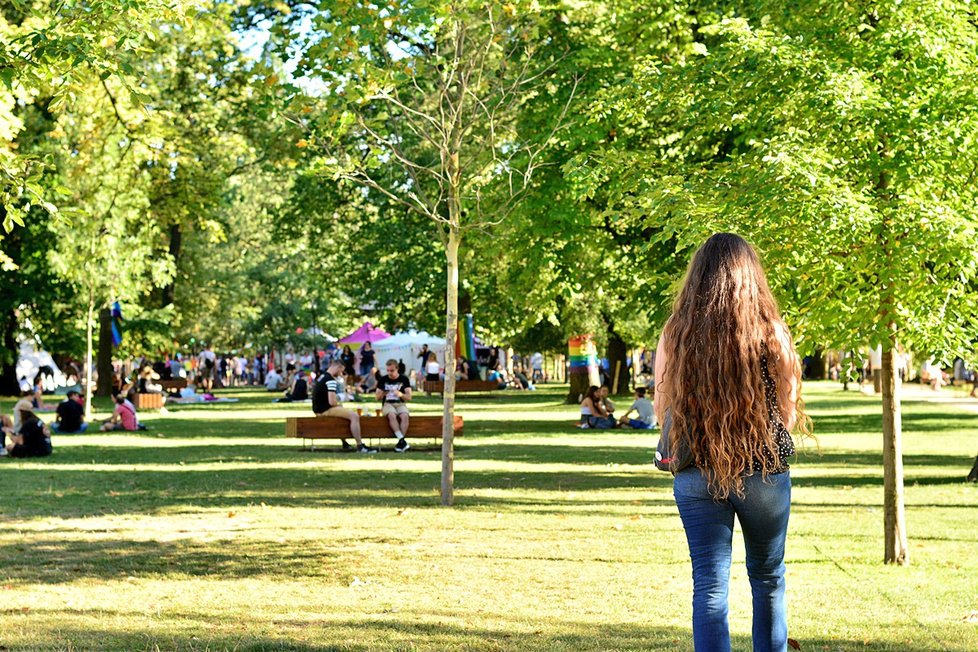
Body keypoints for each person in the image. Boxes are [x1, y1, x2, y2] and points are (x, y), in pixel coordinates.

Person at [653, 233, 809, 652]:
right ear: (751, 276)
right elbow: (788, 413)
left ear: (697, 277)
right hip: (762, 470)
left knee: (708, 584)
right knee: (768, 577)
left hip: (696, 471)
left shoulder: (675, 334)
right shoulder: (772, 332)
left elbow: (663, 410)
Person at [312, 360, 377, 453]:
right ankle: (360, 445)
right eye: (341, 371)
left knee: (342, 414)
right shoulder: (330, 380)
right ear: (338, 367)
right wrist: (339, 403)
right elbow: (332, 402)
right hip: (325, 410)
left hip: (317, 409)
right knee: (354, 416)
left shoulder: (321, 377)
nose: (341, 374)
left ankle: (345, 443)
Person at [375, 359, 412, 452]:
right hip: (388, 404)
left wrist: (401, 394)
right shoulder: (383, 380)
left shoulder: (404, 379)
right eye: (387, 370)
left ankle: (400, 443)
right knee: (392, 415)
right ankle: (402, 441)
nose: (389, 373)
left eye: (392, 370)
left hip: (400, 403)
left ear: (397, 369)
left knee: (405, 416)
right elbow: (377, 397)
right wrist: (382, 394)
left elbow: (409, 397)